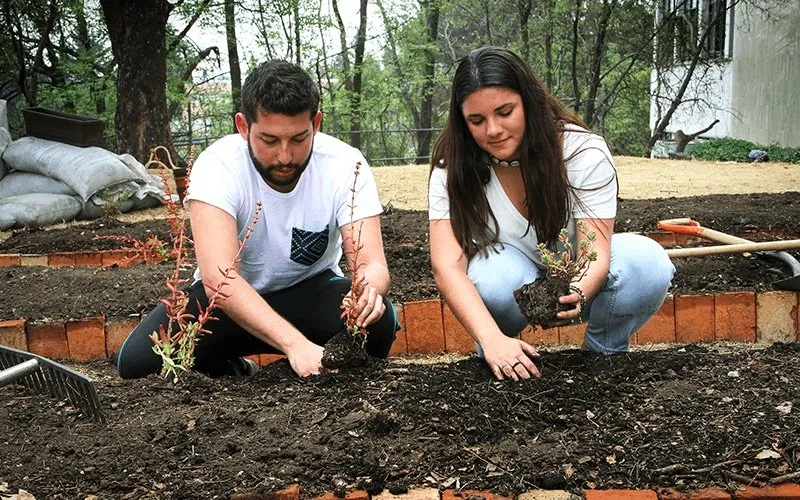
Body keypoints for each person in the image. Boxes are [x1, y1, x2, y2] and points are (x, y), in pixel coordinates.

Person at [117, 60, 399, 379]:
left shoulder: (346, 165)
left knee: (379, 320)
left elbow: (372, 264)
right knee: (139, 363)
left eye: (298, 139)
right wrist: (295, 346)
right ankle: (236, 369)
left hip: (311, 292)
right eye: (269, 140)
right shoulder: (217, 167)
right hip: (228, 305)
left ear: (316, 123)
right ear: (243, 126)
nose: (284, 156)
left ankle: (292, 376)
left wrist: (368, 290)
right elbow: (219, 280)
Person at [429, 47, 675, 381]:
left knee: (648, 265)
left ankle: (604, 357)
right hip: (511, 274)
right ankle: (500, 357)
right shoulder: (452, 168)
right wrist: (491, 339)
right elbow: (446, 266)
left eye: (505, 112)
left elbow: (595, 252)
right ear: (462, 121)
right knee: (487, 281)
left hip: (578, 270)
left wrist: (577, 292)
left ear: (529, 102)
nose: (493, 130)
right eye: (477, 120)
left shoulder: (582, 152)